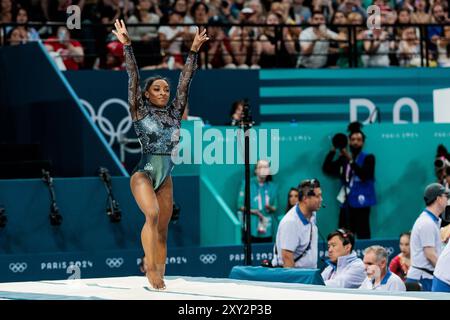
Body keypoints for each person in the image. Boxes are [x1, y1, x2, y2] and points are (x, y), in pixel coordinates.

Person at [112, 19, 209, 289]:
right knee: (152, 216)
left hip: (166, 175)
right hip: (143, 174)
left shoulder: (175, 112)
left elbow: (185, 83)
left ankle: (160, 277)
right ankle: (149, 267)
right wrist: (127, 46)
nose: (164, 92)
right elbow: (133, 77)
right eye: (157, 89)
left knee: (164, 230)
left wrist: (193, 50)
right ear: (146, 94)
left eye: (166, 89)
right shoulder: (139, 109)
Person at [322, 122, 376, 239]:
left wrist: (350, 160)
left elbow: (364, 176)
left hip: (362, 202)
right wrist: (333, 150)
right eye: (353, 139)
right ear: (349, 141)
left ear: (363, 142)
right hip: (347, 203)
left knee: (363, 233)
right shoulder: (343, 159)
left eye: (359, 139)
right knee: (343, 236)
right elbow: (327, 168)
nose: (356, 142)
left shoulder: (369, 158)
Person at [406, 183, 448, 291]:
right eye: (446, 196)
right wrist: (444, 272)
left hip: (425, 276)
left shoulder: (431, 221)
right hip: (422, 279)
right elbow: (430, 255)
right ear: (438, 199)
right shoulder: (427, 223)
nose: (447, 200)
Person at [271, 179, 322, 268]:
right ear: (305, 199)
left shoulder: (312, 213)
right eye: (317, 196)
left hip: (308, 276)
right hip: (297, 278)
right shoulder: (290, 222)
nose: (321, 199)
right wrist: (296, 281)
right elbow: (287, 257)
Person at [237, 159, 278, 243]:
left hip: (267, 227)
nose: (263, 169)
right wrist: (253, 211)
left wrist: (270, 208)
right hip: (250, 227)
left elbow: (275, 207)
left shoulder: (273, 187)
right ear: (256, 170)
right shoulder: (247, 184)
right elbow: (240, 206)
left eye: (266, 167)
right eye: (260, 167)